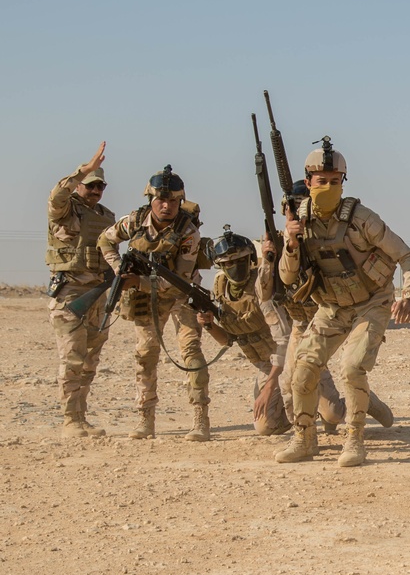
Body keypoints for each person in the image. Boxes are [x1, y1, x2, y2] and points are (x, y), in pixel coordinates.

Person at [275, 138, 410, 466]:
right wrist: (292, 243)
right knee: (303, 368)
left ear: (343, 182)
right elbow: (286, 278)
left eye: (335, 182)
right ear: (308, 182)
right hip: (332, 307)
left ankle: (354, 440)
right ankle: (304, 439)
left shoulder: (362, 218)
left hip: (372, 302)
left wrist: (408, 296)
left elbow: (407, 256)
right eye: (321, 181)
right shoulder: (299, 222)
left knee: (352, 368)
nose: (328, 187)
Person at [267, 180, 393, 434]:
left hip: (330, 314)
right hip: (300, 323)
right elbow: (269, 291)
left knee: (347, 375)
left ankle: (363, 401)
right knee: (294, 385)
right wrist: (270, 257)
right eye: (288, 211)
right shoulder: (281, 241)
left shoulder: (322, 236)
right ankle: (305, 435)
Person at [97, 165, 212, 441]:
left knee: (191, 352)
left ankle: (200, 419)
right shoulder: (134, 221)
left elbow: (178, 280)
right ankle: (145, 418)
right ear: (150, 199)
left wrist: (136, 282)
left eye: (173, 200)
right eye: (161, 199)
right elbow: (104, 240)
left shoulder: (188, 232)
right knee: (146, 353)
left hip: (182, 294)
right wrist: (118, 272)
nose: (167, 206)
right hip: (147, 298)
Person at [46, 142, 116, 438]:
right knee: (72, 358)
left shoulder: (107, 217)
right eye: (90, 185)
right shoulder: (64, 209)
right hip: (71, 295)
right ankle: (69, 420)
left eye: (100, 185)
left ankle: (81, 416)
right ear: (79, 187)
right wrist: (82, 171)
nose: (96, 190)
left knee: (90, 360)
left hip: (98, 294)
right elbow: (57, 194)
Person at [196, 226, 292, 435]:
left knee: (332, 414)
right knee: (265, 427)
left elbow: (285, 342)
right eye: (228, 263)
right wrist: (210, 325)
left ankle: (353, 404)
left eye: (240, 261)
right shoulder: (221, 288)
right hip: (266, 367)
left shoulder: (262, 285)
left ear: (250, 260)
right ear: (219, 265)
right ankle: (298, 411)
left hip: (291, 363)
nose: (235, 267)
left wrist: (269, 386)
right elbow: (227, 340)